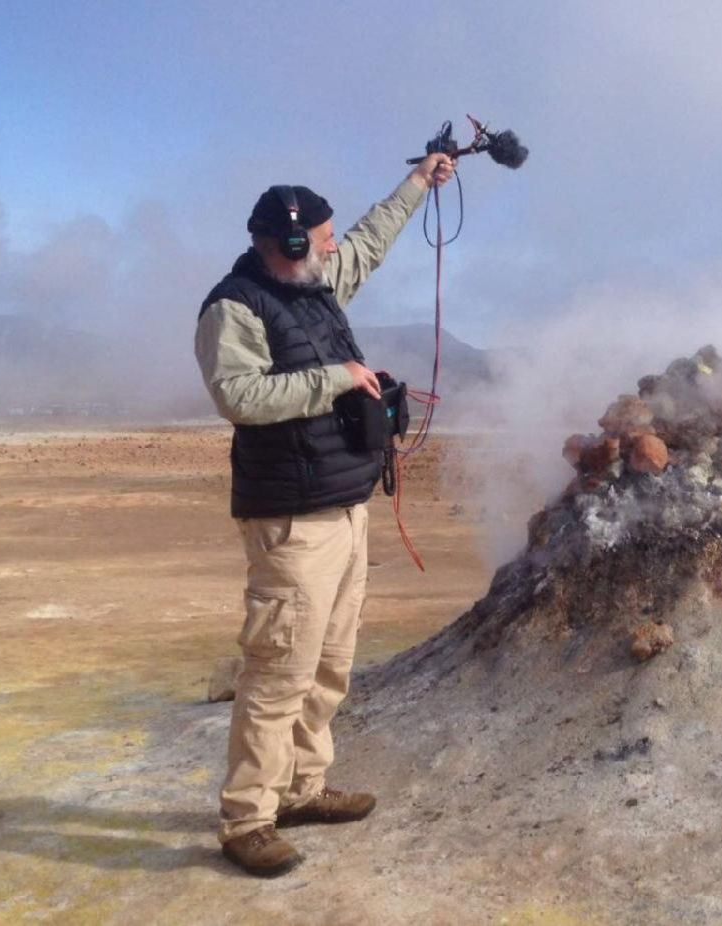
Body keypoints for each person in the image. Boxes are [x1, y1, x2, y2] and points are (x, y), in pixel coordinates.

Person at [194, 152, 456, 877]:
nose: (336, 247)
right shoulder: (235, 308)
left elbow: (370, 240)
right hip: (290, 522)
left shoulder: (311, 284)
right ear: (290, 243)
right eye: (324, 239)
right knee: (279, 671)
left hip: (344, 508)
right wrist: (334, 379)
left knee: (329, 665)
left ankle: (303, 788)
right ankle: (248, 818)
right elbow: (239, 397)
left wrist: (416, 183)